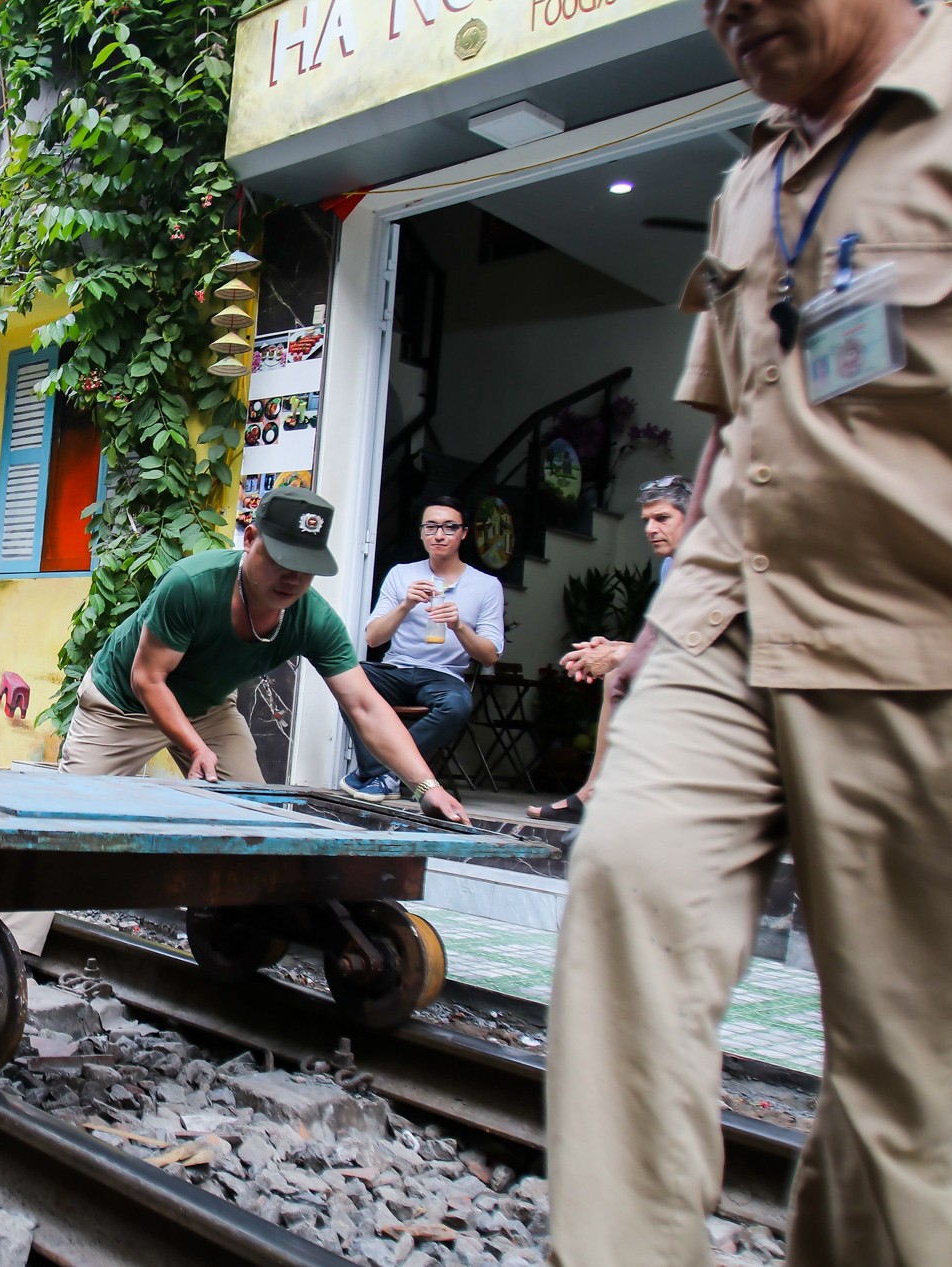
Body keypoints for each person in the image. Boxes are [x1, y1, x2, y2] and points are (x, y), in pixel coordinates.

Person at [547, 0, 951, 1261]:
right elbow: (729, 416)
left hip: (913, 633)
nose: (730, 12)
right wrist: (666, 622)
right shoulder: (751, 179)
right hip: (727, 619)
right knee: (626, 882)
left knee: (904, 1069)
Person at [1, 487, 472, 955]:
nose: (291, 578)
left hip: (206, 707)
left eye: (305, 568)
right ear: (250, 539)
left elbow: (366, 707)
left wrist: (425, 788)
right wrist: (194, 746)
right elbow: (148, 679)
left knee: (254, 815)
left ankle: (241, 927)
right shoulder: (193, 583)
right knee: (68, 825)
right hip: (121, 706)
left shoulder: (312, 618)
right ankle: (8, 947)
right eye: (281, 559)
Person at [526, 474, 692, 821]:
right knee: (617, 671)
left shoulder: (708, 568)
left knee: (619, 670)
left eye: (662, 518)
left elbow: (698, 647)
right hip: (689, 667)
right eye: (646, 520)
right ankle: (597, 792)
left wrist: (619, 655)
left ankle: (602, 794)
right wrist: (613, 647)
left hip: (729, 680)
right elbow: (670, 638)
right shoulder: (672, 565)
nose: (650, 529)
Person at [339, 498, 504, 801]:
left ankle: (381, 773)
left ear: (464, 533)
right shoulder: (401, 574)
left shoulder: (486, 585)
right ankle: (385, 774)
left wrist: (459, 626)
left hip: (444, 676)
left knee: (458, 706)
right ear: (421, 533)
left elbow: (490, 655)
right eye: (431, 527)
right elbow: (373, 639)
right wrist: (406, 604)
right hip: (396, 669)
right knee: (348, 678)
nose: (439, 535)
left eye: (449, 527)